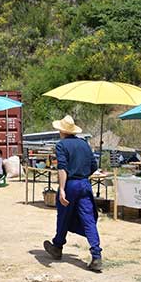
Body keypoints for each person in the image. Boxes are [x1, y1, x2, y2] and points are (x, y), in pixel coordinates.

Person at [43, 115, 102, 273]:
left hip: (70, 185)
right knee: (88, 219)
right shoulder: (84, 144)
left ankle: (57, 247)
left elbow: (62, 168)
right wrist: (83, 175)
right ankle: (96, 256)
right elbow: (94, 165)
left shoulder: (61, 145)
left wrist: (62, 188)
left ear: (62, 131)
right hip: (84, 184)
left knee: (63, 216)